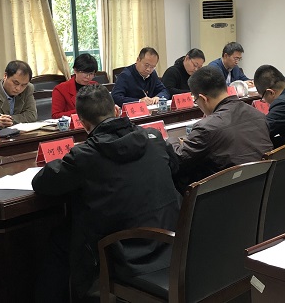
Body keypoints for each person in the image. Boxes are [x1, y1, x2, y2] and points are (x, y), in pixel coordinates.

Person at [32, 85, 181, 301]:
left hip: (124, 253)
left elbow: (42, 183)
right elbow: (175, 167)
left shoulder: (85, 155)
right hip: (171, 240)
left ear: (83, 124)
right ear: (117, 111)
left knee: (60, 239)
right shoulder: (153, 137)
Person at [171, 66, 272, 191]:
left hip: (227, 192)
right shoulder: (258, 114)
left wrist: (173, 140)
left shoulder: (207, 127)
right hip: (262, 186)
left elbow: (179, 159)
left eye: (196, 101)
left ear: (203, 98)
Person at [51, 53, 99, 119]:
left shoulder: (95, 86)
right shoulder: (60, 89)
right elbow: (56, 116)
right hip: (72, 124)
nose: (88, 77)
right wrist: (82, 111)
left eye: (91, 74)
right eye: (84, 73)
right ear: (75, 71)